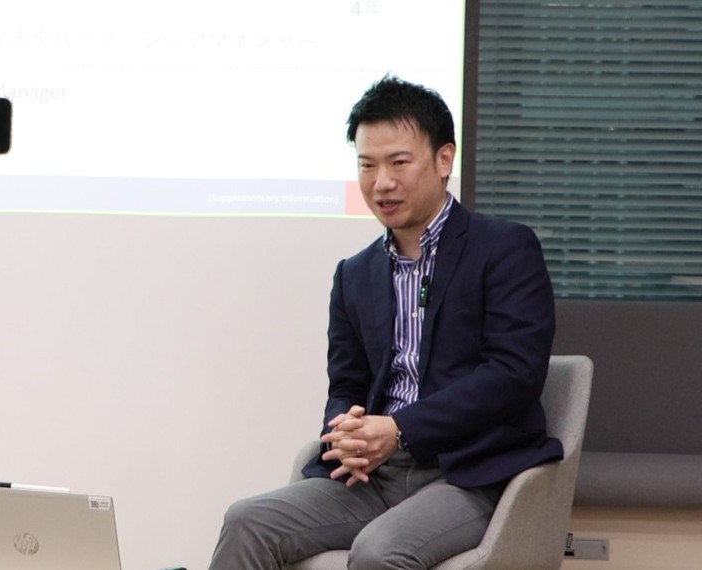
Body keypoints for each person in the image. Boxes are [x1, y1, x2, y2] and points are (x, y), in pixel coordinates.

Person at [209, 75, 561, 569]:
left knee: (379, 551)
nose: (381, 183)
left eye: (398, 163)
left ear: (444, 160)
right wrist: (348, 434)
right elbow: (347, 384)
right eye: (367, 165)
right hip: (373, 477)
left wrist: (399, 428)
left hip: (469, 475)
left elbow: (514, 374)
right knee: (247, 520)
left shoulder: (504, 249)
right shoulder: (355, 274)